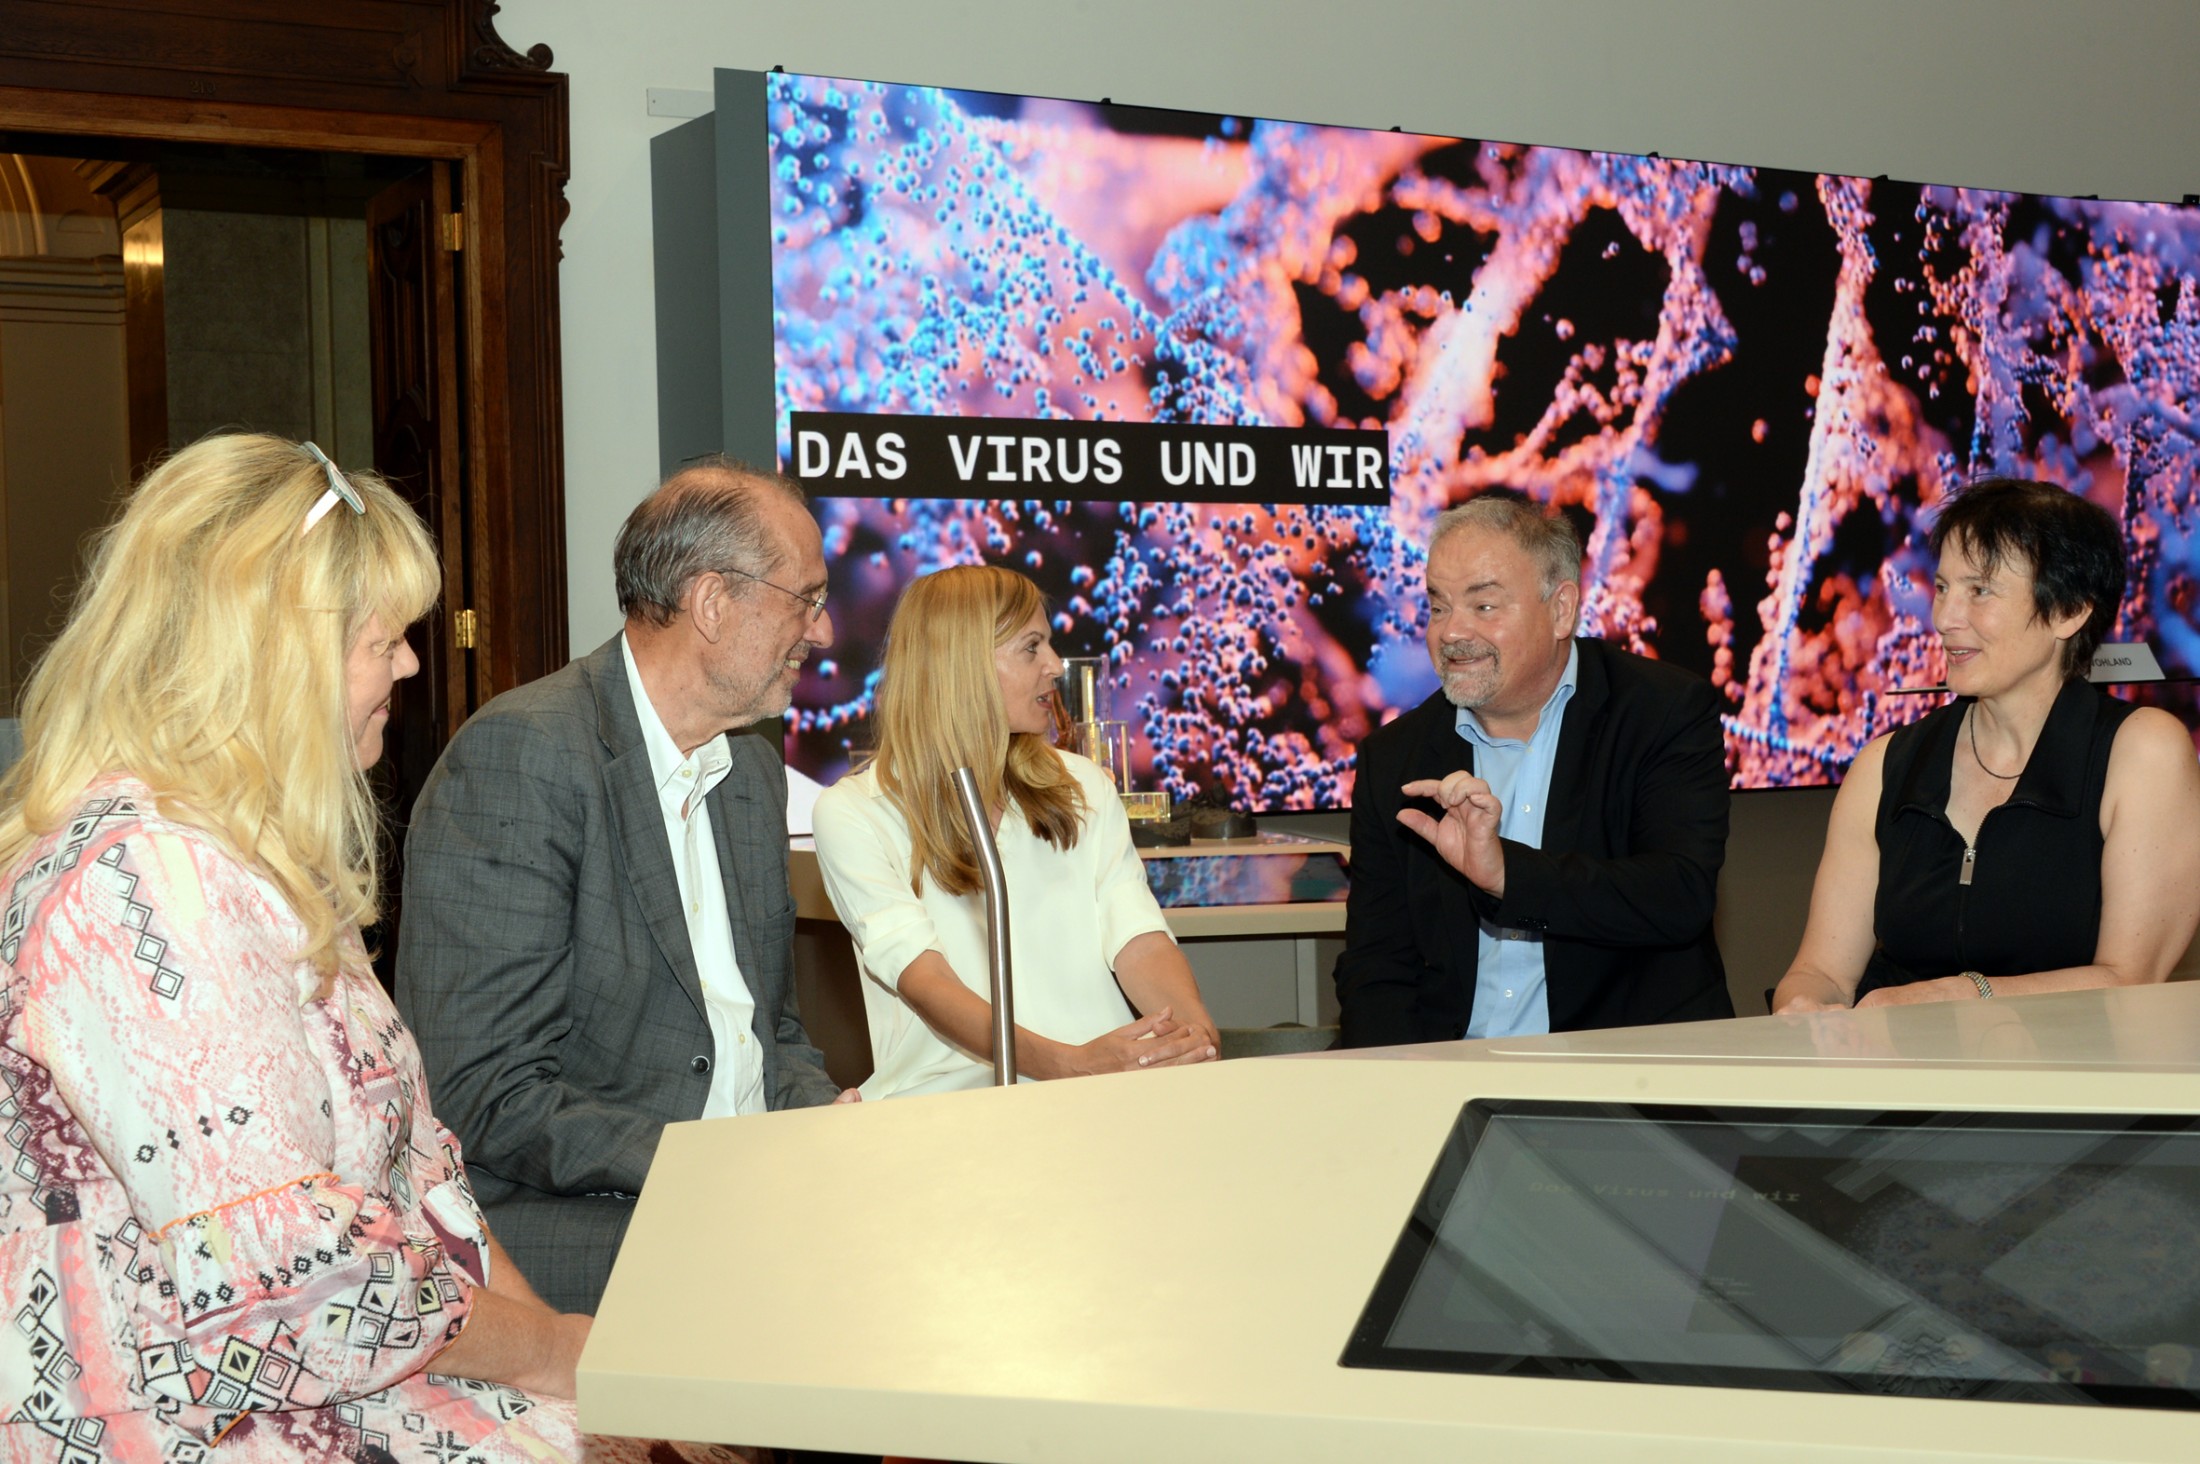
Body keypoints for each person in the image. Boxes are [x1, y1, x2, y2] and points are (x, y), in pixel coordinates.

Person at [0, 433, 743, 1461]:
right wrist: (564, 1360)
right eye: (379, 638)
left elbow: (427, 1187)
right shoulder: (146, 885)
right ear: (265, 652)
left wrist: (582, 1372)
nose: (408, 662)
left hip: (356, 1388)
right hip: (184, 1424)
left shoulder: (256, 864)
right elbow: (304, 1289)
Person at [396, 458, 848, 1318]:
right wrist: (717, 1163)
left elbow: (773, 1035)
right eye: (807, 599)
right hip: (576, 1219)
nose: (822, 632)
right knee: (834, 1289)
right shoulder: (525, 757)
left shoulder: (751, 772)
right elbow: (486, 1092)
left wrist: (825, 1127)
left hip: (740, 1194)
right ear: (712, 602)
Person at [1773, 478, 2200, 1012]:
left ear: (2069, 610)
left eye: (1980, 591)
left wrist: (1957, 997)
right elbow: (1820, 973)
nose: (1944, 618)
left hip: (2069, 1063)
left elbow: (2131, 981)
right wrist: (1803, 1008)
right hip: (1896, 1058)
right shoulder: (1887, 765)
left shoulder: (2143, 753)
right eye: (1943, 588)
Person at [1334, 493, 1734, 1046]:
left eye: (1484, 606)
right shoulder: (1396, 757)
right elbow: (1377, 967)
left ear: (1561, 609)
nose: (1451, 633)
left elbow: (1678, 896)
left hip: (1622, 1068)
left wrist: (1506, 876)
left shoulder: (1660, 712)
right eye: (1439, 607)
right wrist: (1403, 1082)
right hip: (1450, 1068)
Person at [810, 565, 1218, 1098]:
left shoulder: (1083, 786)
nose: (1055, 666)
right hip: (950, 1102)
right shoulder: (855, 813)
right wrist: (1071, 1065)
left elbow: (1139, 939)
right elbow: (926, 979)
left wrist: (1193, 1036)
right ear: (963, 664)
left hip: (1105, 1090)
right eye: (1031, 647)